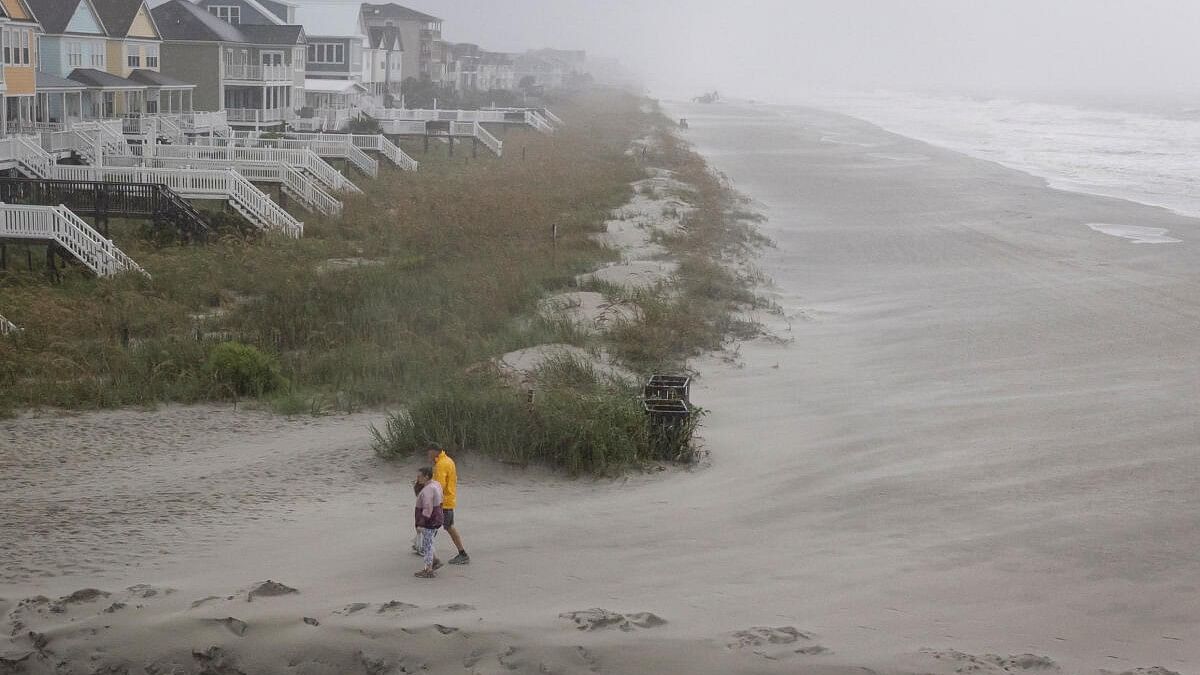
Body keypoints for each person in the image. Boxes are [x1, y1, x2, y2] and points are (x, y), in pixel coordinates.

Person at [428, 444, 470, 565]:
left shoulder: (441, 464)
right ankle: (462, 554)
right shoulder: (447, 460)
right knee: (447, 527)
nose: (428, 456)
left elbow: (439, 486)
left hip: (443, 503)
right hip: (448, 501)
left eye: (429, 453)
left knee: (431, 528)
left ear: (434, 452)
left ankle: (431, 556)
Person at [413, 466, 444, 578]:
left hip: (430, 521)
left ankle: (428, 570)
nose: (417, 479)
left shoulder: (428, 489)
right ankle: (435, 561)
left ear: (426, 476)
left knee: (427, 545)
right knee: (429, 541)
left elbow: (427, 508)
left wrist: (421, 524)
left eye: (419, 476)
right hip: (437, 517)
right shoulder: (436, 484)